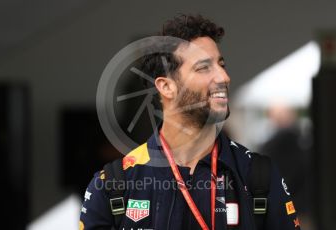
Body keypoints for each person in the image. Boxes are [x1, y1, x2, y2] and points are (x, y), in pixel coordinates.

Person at [79, 14, 301, 230]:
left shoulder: (257, 175)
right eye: (204, 67)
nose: (224, 77)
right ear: (166, 87)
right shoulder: (114, 185)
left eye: (221, 64)